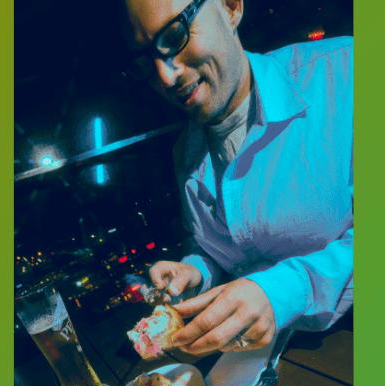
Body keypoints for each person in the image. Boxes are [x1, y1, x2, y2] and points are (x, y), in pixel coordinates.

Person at [121, 0, 353, 355]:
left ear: (230, 7)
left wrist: (280, 292)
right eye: (144, 63)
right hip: (255, 362)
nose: (165, 78)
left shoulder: (348, 72)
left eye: (174, 35)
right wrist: (194, 271)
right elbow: (213, 244)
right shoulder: (185, 150)